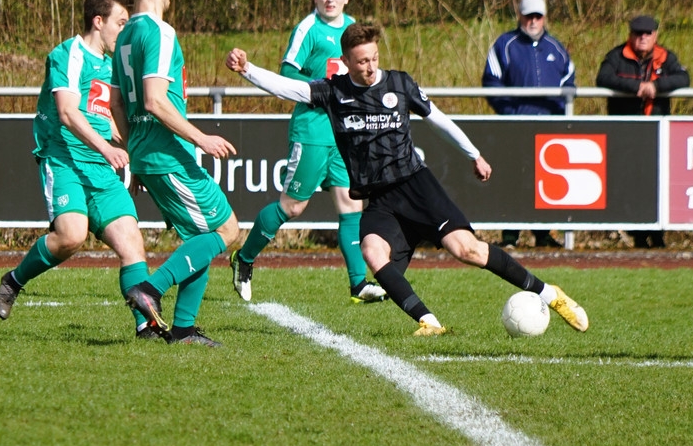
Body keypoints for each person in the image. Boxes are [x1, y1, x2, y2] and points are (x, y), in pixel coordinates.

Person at [226, 22, 589, 335]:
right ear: (347, 61)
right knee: (371, 250)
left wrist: (473, 153)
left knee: (468, 250)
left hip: (416, 187)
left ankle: (550, 294)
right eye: (362, 61)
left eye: (374, 59)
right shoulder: (334, 91)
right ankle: (429, 321)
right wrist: (248, 70)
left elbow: (438, 118)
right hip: (380, 199)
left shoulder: (399, 84)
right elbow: (286, 89)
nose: (370, 67)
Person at [0, 0, 165, 340]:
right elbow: (68, 114)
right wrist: (106, 149)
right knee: (71, 236)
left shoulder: (116, 66)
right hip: (64, 158)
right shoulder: (68, 54)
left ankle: (145, 326)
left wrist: (136, 159)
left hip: (101, 166)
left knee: (132, 241)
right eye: (120, 22)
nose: (125, 29)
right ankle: (14, 280)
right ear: (98, 22)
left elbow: (114, 115)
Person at [229, 0, 385, 305]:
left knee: (351, 204)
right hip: (313, 130)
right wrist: (323, 90)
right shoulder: (307, 29)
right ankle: (244, 258)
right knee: (293, 207)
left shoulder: (353, 29)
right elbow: (287, 76)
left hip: (345, 134)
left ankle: (358, 284)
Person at [109, 0, 240, 347]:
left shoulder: (124, 35)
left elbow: (117, 105)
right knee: (226, 229)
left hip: (149, 153)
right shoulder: (159, 32)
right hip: (168, 152)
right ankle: (152, 289)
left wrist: (137, 156)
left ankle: (183, 329)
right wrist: (201, 138)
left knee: (200, 235)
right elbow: (154, 100)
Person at [482, 0, 574, 249]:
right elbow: (491, 80)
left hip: (548, 128)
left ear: (544, 18)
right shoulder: (505, 44)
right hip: (514, 127)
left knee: (545, 179)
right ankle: (510, 235)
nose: (533, 21)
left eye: (538, 16)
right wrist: (510, 113)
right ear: (519, 16)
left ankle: (543, 234)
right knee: (513, 177)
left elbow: (570, 82)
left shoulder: (556, 48)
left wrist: (557, 114)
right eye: (528, 16)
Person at [596, 14, 690, 249]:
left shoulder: (665, 57)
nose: (643, 38)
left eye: (648, 34)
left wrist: (655, 87)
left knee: (656, 184)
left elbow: (683, 78)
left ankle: (658, 235)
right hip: (626, 135)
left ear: (655, 36)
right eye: (638, 34)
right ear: (630, 35)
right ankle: (639, 235)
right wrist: (636, 87)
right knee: (631, 184)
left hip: (656, 134)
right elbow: (603, 78)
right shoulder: (616, 56)